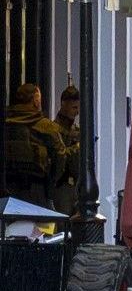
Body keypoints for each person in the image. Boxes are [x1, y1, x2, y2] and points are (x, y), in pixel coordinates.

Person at [4, 83, 73, 208]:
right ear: (36, 100)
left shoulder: (6, 124)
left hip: (6, 190)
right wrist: (51, 182)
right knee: (39, 225)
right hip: (36, 190)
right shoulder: (45, 126)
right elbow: (60, 157)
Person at [52, 86, 81, 214]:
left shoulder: (76, 130)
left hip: (75, 187)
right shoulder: (53, 129)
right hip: (60, 187)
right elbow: (59, 158)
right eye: (74, 107)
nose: (77, 112)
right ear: (63, 104)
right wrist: (78, 147)